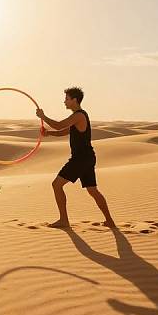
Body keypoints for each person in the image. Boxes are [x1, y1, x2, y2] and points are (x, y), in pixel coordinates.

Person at [36, 86, 116, 229]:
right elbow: (64, 130)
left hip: (81, 158)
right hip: (87, 157)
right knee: (92, 190)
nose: (64, 101)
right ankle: (109, 221)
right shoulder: (77, 117)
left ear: (74, 100)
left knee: (56, 185)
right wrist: (49, 134)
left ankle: (64, 220)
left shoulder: (79, 115)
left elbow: (59, 125)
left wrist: (43, 117)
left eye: (67, 99)